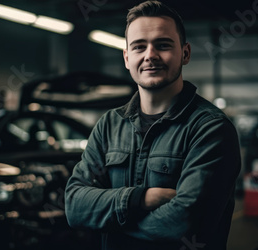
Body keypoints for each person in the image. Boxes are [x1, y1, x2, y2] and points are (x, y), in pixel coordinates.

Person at [65, 1, 241, 249]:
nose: (150, 55)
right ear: (127, 58)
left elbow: (184, 222)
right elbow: (74, 206)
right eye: (139, 47)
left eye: (163, 45)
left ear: (185, 53)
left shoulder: (210, 129)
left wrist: (110, 223)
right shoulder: (108, 125)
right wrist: (141, 199)